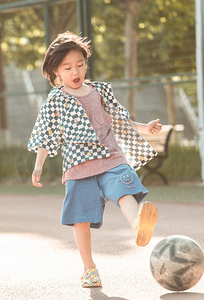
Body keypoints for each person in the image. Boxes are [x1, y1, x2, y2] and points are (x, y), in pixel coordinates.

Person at [28, 32, 162, 288]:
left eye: (80, 64)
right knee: (81, 219)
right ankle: (89, 269)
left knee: (124, 189)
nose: (75, 71)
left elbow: (119, 119)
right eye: (68, 67)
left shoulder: (99, 90)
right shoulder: (55, 100)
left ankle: (138, 225)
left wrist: (145, 127)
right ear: (57, 70)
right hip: (79, 167)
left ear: (86, 64)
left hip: (111, 158)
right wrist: (38, 164)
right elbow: (45, 133)